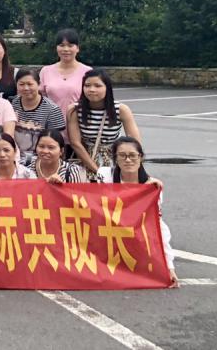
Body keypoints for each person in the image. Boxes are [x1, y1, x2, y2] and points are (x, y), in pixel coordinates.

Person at [97, 137, 178, 287]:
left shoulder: (152, 187)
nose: (128, 160)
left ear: (141, 157)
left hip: (135, 239)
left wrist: (169, 268)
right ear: (115, 158)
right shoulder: (104, 175)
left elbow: (157, 228)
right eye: (122, 155)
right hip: (108, 235)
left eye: (132, 155)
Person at [68, 68, 141, 180]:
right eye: (87, 86)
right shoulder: (74, 110)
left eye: (97, 86)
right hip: (86, 159)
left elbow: (135, 142)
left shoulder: (121, 109)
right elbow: (75, 143)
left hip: (115, 159)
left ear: (107, 88)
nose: (91, 89)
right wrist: (97, 170)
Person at [11, 68, 66, 166]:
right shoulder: (12, 104)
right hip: (14, 157)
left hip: (42, 159)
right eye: (21, 84)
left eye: (30, 84)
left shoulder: (52, 109)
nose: (26, 88)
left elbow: (57, 142)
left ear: (39, 84)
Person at [40, 28, 90, 114]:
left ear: (77, 48)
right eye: (62, 45)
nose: (66, 49)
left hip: (79, 119)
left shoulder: (87, 72)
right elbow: (40, 99)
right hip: (52, 121)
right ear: (56, 48)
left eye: (70, 45)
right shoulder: (46, 71)